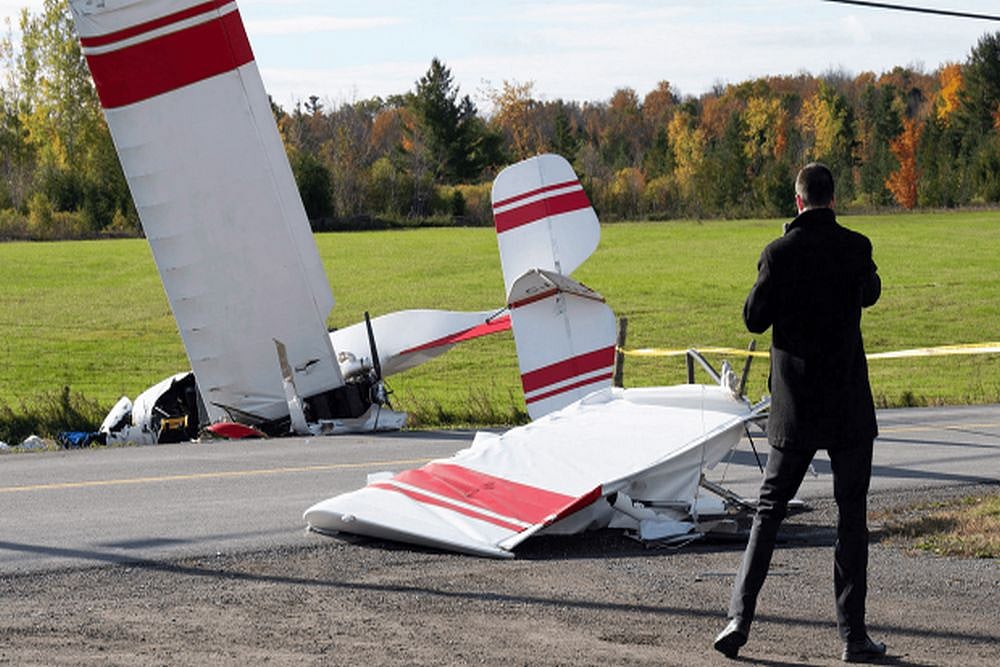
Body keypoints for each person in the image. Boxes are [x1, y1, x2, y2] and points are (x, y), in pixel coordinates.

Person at [713, 163, 886, 663]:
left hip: (797, 407)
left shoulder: (778, 254)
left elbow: (753, 317)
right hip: (848, 402)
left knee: (768, 512)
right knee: (851, 516)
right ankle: (853, 636)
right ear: (833, 200)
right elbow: (871, 293)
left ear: (797, 201)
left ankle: (739, 619)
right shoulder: (856, 247)